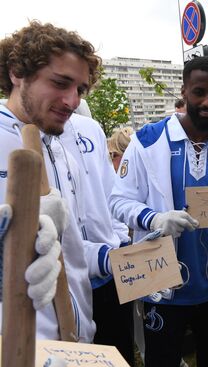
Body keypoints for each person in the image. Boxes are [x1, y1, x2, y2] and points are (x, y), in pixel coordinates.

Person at [109, 56, 208, 367]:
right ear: (184, 91)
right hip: (161, 284)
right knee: (162, 361)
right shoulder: (148, 141)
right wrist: (154, 218)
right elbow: (118, 201)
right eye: (198, 92)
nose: (207, 102)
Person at [0, 21, 100, 342]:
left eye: (80, 90)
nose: (72, 101)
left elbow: (72, 250)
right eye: (60, 83)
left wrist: (113, 258)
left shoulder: (62, 151)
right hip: (17, 347)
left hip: (75, 340)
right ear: (18, 72)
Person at [59, 114, 134, 364]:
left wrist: (121, 239)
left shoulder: (89, 128)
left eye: (79, 89)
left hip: (111, 271)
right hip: (65, 282)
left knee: (119, 352)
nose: (70, 99)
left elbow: (108, 189)